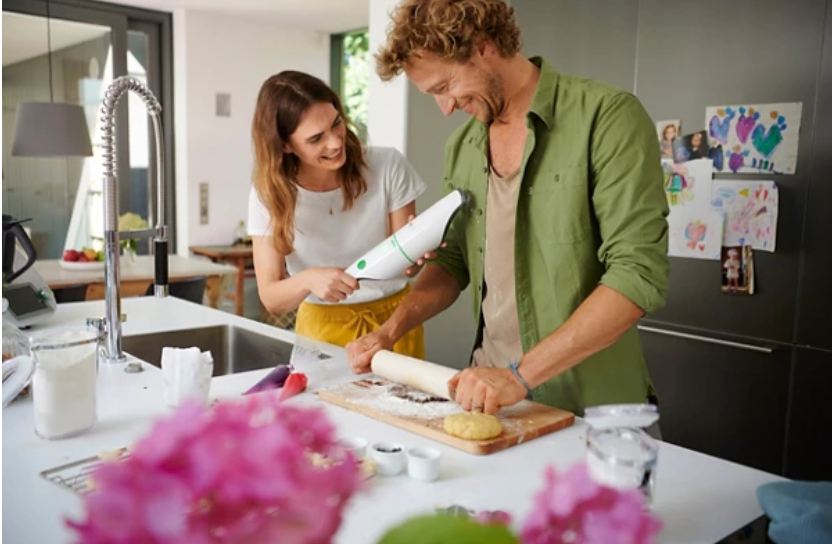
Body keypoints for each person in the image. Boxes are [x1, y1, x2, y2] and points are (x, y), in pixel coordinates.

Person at [346, 0, 670, 418]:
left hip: (593, 409)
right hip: (490, 399)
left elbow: (638, 274)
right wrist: (389, 332)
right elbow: (454, 261)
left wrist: (520, 375)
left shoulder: (606, 118)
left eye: (445, 87)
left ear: (482, 46)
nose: (444, 108)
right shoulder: (463, 146)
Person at [248, 71, 427, 358]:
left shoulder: (387, 165)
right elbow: (270, 297)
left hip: (393, 324)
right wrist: (308, 280)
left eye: (336, 123)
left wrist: (416, 255)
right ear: (285, 145)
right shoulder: (269, 194)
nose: (335, 142)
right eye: (316, 138)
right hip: (321, 331)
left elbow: (407, 267)